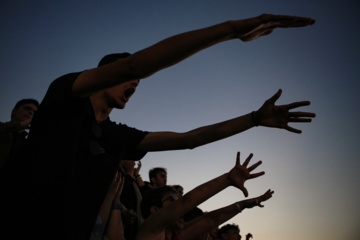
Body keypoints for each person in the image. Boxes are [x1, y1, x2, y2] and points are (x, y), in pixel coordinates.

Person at [0, 14, 314, 240]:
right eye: (127, 77)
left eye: (137, 83)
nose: (135, 83)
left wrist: (255, 119)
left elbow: (190, 139)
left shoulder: (115, 135)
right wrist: (231, 30)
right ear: (105, 73)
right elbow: (138, 64)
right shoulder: (65, 95)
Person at [137, 152, 274, 240]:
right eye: (172, 200)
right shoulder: (150, 231)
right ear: (155, 211)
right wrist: (227, 179)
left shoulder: (175, 236)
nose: (178, 205)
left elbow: (209, 220)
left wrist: (243, 205)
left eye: (177, 199)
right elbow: (187, 202)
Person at [0, 98, 39, 169]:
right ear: (14, 112)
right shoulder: (3, 130)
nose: (31, 112)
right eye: (27, 109)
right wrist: (21, 124)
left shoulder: (27, 142)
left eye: (34, 112)